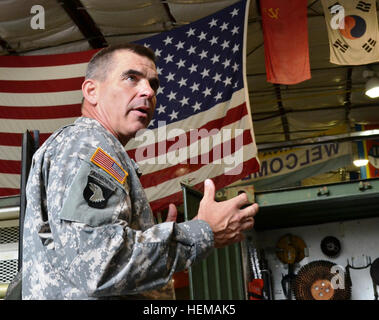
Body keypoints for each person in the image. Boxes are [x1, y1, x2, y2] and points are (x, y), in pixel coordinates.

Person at [19, 43, 259, 299]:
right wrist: (202, 231)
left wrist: (155, 238)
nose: (148, 91)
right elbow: (99, 265)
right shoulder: (89, 144)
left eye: (153, 84)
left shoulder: (95, 146)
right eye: (131, 78)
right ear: (91, 91)